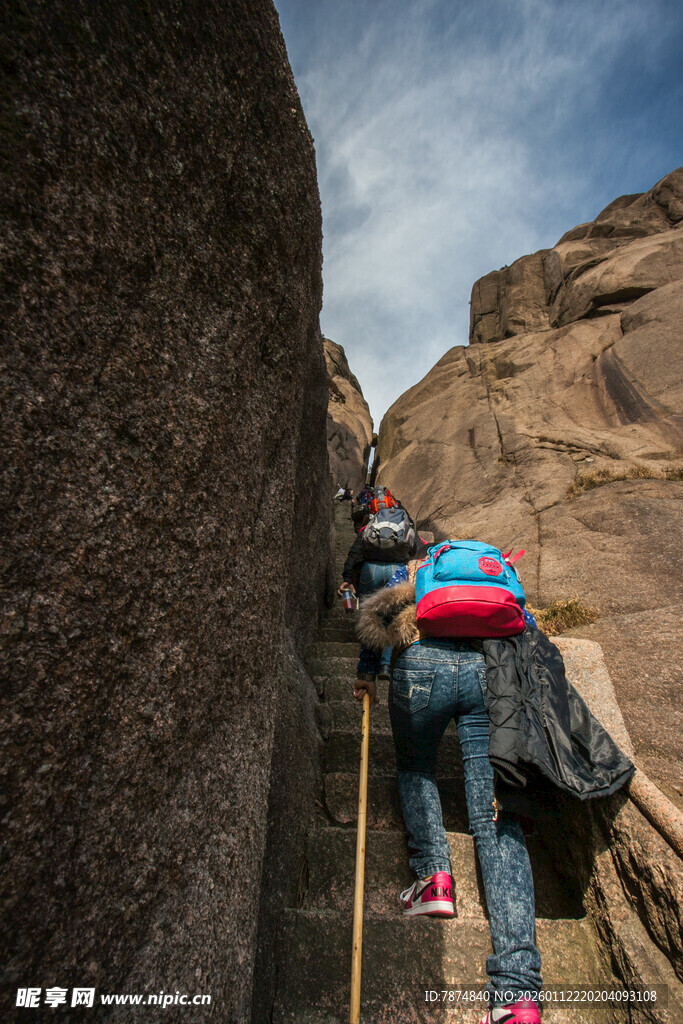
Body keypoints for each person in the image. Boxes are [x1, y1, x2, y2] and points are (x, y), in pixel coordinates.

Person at [355, 555, 634, 1024]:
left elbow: (378, 617)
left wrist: (367, 672)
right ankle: (517, 992)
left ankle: (434, 878)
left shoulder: (417, 572)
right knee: (494, 813)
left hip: (421, 665)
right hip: (490, 673)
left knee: (416, 766)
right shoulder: (495, 574)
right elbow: (525, 627)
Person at [337, 508, 427, 682]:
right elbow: (421, 552)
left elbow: (354, 553)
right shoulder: (408, 529)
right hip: (399, 569)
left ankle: (367, 672)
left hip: (370, 570)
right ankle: (386, 664)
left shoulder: (368, 529)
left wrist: (348, 578)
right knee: (394, 616)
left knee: (370, 618)